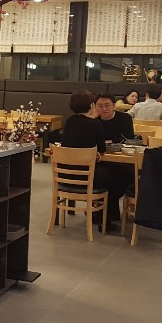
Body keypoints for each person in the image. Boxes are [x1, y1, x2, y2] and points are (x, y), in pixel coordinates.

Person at [62, 90, 124, 225]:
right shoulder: (95, 124)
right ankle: (105, 217)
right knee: (115, 177)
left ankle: (98, 210)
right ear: (92, 105)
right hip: (86, 176)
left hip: (65, 176)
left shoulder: (69, 121)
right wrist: (94, 152)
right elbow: (102, 150)